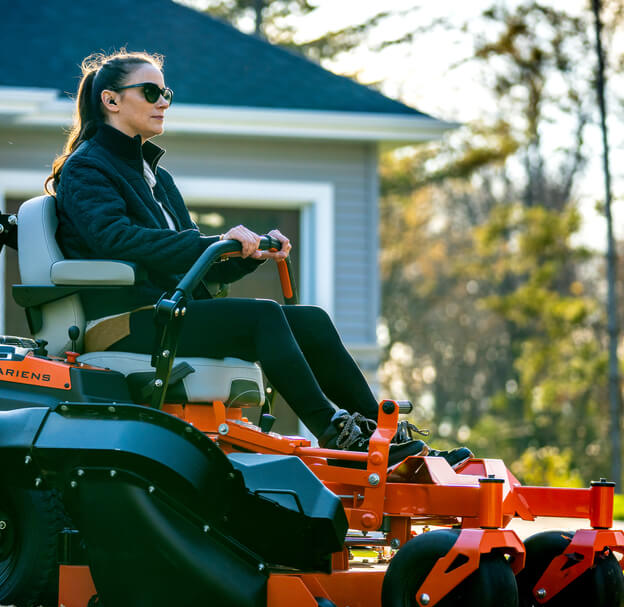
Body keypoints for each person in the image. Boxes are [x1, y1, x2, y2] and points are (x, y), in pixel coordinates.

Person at [49, 49, 469, 467]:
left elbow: (190, 258)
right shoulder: (87, 168)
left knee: (312, 320)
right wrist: (212, 243)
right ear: (111, 100)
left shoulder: (156, 175)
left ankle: (386, 437)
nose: (163, 102)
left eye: (166, 93)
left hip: (169, 313)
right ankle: (338, 435)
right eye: (150, 91)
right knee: (262, 316)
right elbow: (116, 239)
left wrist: (249, 254)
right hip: (123, 321)